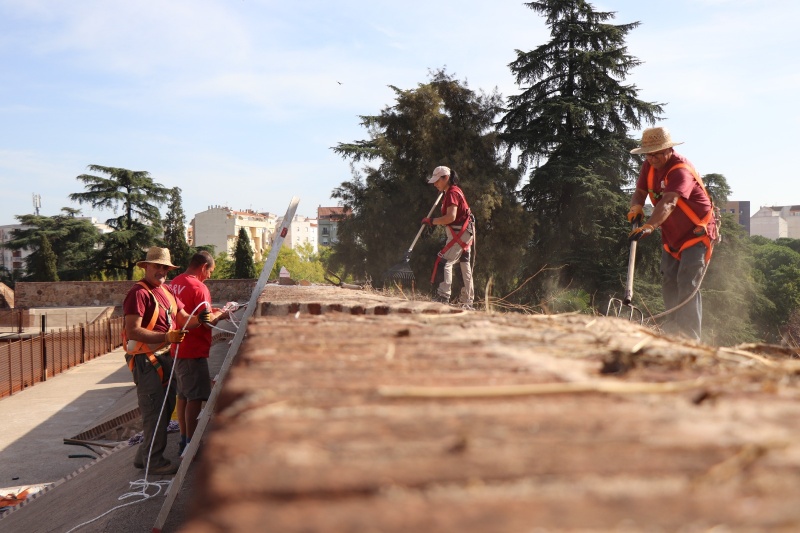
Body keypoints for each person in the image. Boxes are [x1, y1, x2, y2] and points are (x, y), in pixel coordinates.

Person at [123, 246, 210, 475]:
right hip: (146, 361)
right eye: (157, 266)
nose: (161, 271)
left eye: (165, 267)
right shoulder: (138, 294)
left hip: (164, 357)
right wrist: (166, 337)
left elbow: (183, 318)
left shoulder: (167, 291)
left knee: (165, 407)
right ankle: (154, 461)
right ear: (146, 267)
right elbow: (133, 331)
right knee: (155, 411)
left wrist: (201, 319)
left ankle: (144, 456)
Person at [627, 127, 717, 341]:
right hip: (671, 234)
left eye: (657, 153)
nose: (652, 158)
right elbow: (640, 191)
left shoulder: (680, 170)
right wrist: (636, 206)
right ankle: (672, 331)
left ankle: (690, 339)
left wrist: (649, 226)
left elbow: (669, 202)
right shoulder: (649, 167)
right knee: (668, 281)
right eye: (648, 154)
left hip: (696, 233)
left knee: (687, 282)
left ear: (668, 149)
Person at [169, 251, 229, 455]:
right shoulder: (199, 287)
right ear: (203, 267)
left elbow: (194, 312)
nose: (210, 276)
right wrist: (223, 314)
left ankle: (183, 440)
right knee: (194, 398)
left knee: (183, 395)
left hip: (177, 347)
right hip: (193, 350)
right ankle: (191, 445)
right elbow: (206, 322)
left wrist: (212, 310)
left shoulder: (175, 283)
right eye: (210, 271)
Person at [422, 165, 475, 310]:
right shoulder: (453, 192)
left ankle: (443, 296)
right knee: (464, 266)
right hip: (464, 233)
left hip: (459, 233)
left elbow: (450, 217)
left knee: (444, 261)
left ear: (446, 178)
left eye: (437, 180)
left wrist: (432, 221)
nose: (435, 184)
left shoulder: (452, 193)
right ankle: (467, 301)